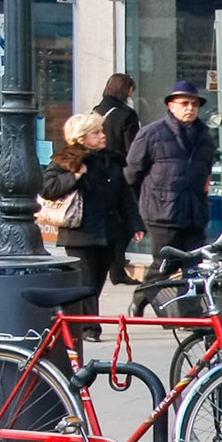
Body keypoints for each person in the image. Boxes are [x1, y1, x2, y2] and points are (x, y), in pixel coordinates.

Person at [39, 113, 141, 338]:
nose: (103, 136)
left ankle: (81, 322)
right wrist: (73, 177)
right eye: (97, 133)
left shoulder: (112, 160)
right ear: (82, 138)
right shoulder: (66, 159)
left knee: (95, 284)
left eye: (101, 132)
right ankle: (89, 327)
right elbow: (48, 188)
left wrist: (135, 224)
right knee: (85, 282)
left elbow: (124, 195)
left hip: (107, 232)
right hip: (80, 234)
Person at [124, 80, 217, 275]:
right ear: (171, 105)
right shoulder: (151, 134)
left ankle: (188, 306)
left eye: (195, 104)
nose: (190, 108)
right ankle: (138, 303)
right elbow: (131, 175)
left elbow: (206, 173)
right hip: (163, 214)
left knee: (194, 268)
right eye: (184, 103)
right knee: (164, 267)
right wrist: (137, 213)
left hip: (194, 214)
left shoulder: (205, 137)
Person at [92, 73, 141, 284]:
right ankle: (117, 266)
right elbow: (134, 148)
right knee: (126, 220)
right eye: (131, 89)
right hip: (120, 171)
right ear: (127, 90)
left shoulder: (96, 111)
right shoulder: (126, 115)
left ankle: (115, 264)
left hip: (97, 169)